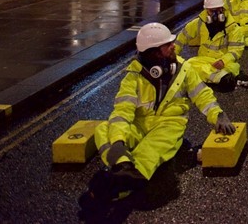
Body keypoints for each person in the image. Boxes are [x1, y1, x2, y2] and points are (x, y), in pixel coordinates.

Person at [79, 23, 236, 206]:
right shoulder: (133, 76)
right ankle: (122, 166)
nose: (173, 46)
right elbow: (122, 112)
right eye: (167, 45)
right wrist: (118, 143)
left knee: (151, 149)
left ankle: (119, 185)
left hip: (170, 124)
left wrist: (218, 114)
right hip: (139, 123)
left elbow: (202, 95)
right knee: (106, 129)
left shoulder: (184, 69)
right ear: (153, 53)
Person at [176, 0, 246, 92]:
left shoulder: (232, 27)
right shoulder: (200, 23)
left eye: (218, 10)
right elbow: (183, 36)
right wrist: (173, 55)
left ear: (222, 9)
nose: (215, 14)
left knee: (232, 67)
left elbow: (236, 50)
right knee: (189, 63)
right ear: (206, 10)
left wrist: (223, 60)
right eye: (212, 11)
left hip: (222, 62)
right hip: (203, 60)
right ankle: (221, 78)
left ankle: (210, 77)